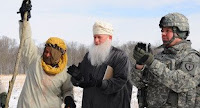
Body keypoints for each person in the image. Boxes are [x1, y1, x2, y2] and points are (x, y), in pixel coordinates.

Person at [131, 12, 200, 108]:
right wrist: (139, 65)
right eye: (162, 30)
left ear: (179, 33)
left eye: (167, 31)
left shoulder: (192, 58)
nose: (163, 34)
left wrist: (152, 63)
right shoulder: (158, 57)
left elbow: (180, 83)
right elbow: (138, 83)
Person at [16, 1, 75, 108]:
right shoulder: (34, 60)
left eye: (50, 53)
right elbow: (26, 41)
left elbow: (67, 90)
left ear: (58, 55)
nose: (46, 55)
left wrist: (69, 100)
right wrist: (25, 21)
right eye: (45, 51)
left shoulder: (65, 73)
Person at [67, 21, 132, 108]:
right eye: (94, 37)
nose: (96, 41)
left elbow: (121, 80)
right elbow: (84, 81)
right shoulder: (89, 56)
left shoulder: (120, 56)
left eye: (99, 37)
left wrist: (101, 83)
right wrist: (77, 77)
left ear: (110, 37)